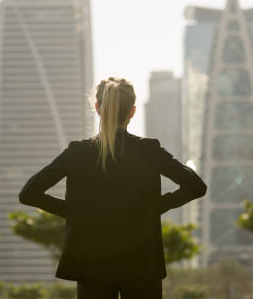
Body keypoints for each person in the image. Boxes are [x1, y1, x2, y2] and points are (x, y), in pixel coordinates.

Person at [19, 77, 207, 299]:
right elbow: (196, 186)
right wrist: (155, 206)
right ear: (132, 111)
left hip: (92, 265)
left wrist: (75, 211)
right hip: (142, 263)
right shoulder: (148, 150)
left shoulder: (78, 152)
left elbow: (28, 194)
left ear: (98, 108)